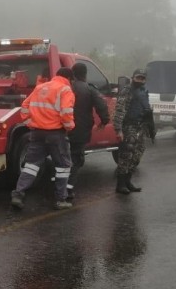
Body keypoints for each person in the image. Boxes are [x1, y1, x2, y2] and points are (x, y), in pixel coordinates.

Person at [11, 66, 76, 211]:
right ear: (69, 79)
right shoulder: (65, 90)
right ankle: (60, 199)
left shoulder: (40, 87)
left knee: (31, 165)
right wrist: (69, 127)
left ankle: (18, 194)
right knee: (63, 167)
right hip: (56, 134)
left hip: (37, 133)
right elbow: (66, 113)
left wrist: (29, 123)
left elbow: (24, 106)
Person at [66, 63, 110, 201]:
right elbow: (101, 105)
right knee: (76, 158)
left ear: (73, 74)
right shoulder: (90, 89)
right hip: (80, 129)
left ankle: (60, 183)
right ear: (85, 74)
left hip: (61, 128)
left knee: (62, 157)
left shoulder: (65, 88)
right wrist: (104, 121)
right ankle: (68, 189)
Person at [112, 68, 152, 194]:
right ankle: (121, 184)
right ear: (133, 77)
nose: (140, 80)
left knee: (137, 154)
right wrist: (118, 129)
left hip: (141, 127)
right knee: (126, 154)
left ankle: (128, 181)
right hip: (129, 126)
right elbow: (119, 110)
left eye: (142, 78)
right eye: (138, 78)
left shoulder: (144, 91)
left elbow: (147, 110)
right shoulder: (126, 91)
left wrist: (151, 127)